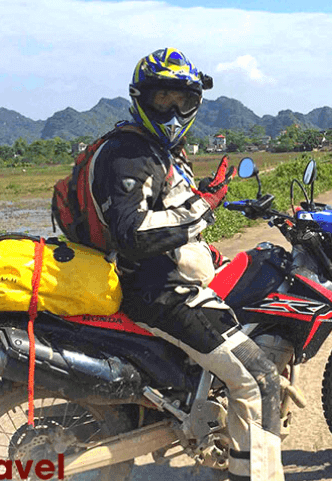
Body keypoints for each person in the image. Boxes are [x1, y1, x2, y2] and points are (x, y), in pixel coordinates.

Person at [84, 48, 284, 481]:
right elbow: (133, 233)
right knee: (259, 378)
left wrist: (207, 206)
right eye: (162, 100)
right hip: (160, 293)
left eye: (182, 101)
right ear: (141, 98)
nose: (173, 111)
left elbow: (171, 213)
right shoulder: (127, 152)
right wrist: (203, 207)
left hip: (168, 279)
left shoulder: (159, 150)